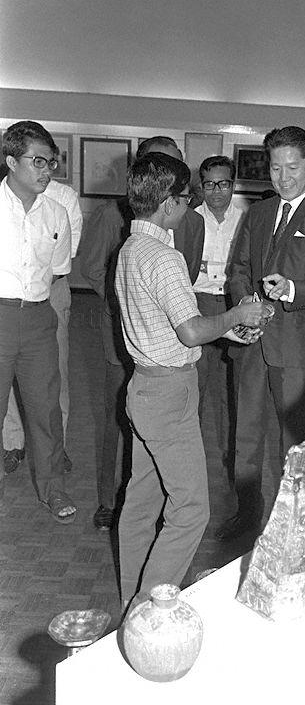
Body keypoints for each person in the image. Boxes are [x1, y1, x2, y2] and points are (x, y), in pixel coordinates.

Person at [114, 152, 264, 607]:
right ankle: (148, 612)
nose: (189, 206)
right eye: (186, 198)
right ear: (168, 204)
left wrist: (228, 329)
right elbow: (191, 330)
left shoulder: (129, 248)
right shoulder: (164, 257)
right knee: (191, 510)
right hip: (169, 393)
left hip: (142, 386)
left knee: (140, 505)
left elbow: (172, 327)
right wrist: (237, 313)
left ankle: (130, 603)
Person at [216, 126, 305, 541]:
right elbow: (238, 269)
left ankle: (292, 519)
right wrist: (245, 306)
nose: (284, 176)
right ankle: (246, 515)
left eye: (292, 167)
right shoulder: (257, 213)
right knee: (246, 432)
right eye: (276, 167)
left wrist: (290, 290)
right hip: (251, 339)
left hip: (294, 343)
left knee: (292, 437)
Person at [81, 135, 205, 531]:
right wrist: (134, 306)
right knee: (117, 418)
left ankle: (152, 504)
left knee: (167, 430)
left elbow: (184, 280)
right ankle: (108, 501)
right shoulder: (112, 216)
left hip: (172, 347)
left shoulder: (193, 220)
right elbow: (92, 269)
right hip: (124, 339)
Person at [0, 120, 76, 522]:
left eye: (52, 163)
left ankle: (53, 490)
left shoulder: (57, 214)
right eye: (39, 162)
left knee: (46, 410)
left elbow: (59, 269)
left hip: (38, 318)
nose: (48, 171)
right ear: (12, 161)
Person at [3, 175, 83, 475]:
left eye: (47, 160)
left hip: (52, 291)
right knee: (6, 373)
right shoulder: (4, 197)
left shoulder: (64, 199)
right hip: (8, 300)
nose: (42, 167)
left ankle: (54, 449)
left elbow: (66, 253)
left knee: (54, 374)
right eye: (34, 159)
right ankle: (12, 443)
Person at [193, 155, 245, 471]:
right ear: (201, 186)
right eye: (209, 184)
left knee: (232, 389)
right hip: (197, 306)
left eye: (223, 184)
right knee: (194, 387)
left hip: (231, 305)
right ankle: (190, 460)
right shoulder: (188, 220)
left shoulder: (246, 220)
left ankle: (232, 458)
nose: (216, 191)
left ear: (232, 185)